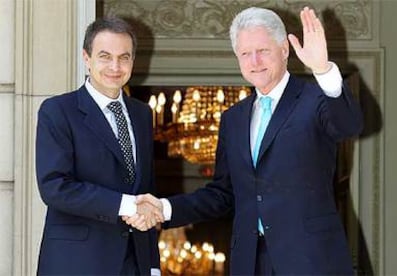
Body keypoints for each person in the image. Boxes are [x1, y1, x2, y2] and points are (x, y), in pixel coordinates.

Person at [127, 6, 363, 275]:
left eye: (263, 51)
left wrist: (323, 70)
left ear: (284, 49)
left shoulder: (316, 100)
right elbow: (223, 193)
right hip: (249, 262)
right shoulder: (234, 118)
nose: (255, 61)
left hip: (311, 260)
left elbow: (348, 125)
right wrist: (165, 208)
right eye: (245, 54)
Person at [35, 17, 163, 275]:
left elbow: (145, 189)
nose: (115, 66)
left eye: (124, 57)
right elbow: (54, 187)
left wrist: (152, 265)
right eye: (105, 56)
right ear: (86, 57)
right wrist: (126, 205)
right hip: (77, 263)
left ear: (132, 61)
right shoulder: (58, 111)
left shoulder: (142, 114)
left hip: (134, 264)